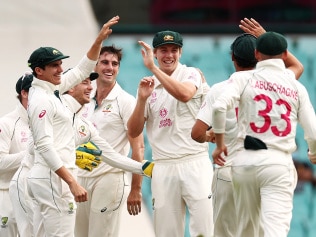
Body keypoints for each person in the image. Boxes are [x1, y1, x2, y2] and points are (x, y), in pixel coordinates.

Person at [191, 18, 304, 237]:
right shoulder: (277, 84)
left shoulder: (219, 89)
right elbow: (297, 66)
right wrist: (265, 37)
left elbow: (196, 133)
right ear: (259, 56)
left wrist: (211, 136)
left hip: (228, 172)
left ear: (232, 58)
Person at [26, 16, 119, 237]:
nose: (60, 70)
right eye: (54, 66)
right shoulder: (43, 100)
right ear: (39, 71)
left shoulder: (49, 90)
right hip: (54, 179)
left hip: (47, 178)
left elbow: (80, 71)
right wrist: (72, 183)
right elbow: (44, 146)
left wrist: (98, 41)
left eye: (60, 64)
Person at [127, 30, 213, 237]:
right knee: (166, 233)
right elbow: (133, 130)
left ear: (180, 53)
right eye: (163, 50)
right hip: (164, 166)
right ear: (155, 53)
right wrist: (141, 100)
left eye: (174, 50)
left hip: (195, 162)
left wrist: (153, 69)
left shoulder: (190, 73)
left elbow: (184, 94)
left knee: (204, 230)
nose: (169, 55)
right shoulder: (148, 85)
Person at [75, 45, 145, 237]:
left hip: (110, 178)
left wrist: (136, 189)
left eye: (115, 64)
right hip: (82, 177)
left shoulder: (125, 101)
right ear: (95, 66)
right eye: (105, 62)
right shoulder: (85, 100)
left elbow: (138, 146)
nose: (110, 67)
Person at [0, 73, 32, 237]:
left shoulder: (44, 122)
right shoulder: (6, 123)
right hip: (7, 196)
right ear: (24, 93)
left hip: (35, 197)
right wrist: (32, 153)